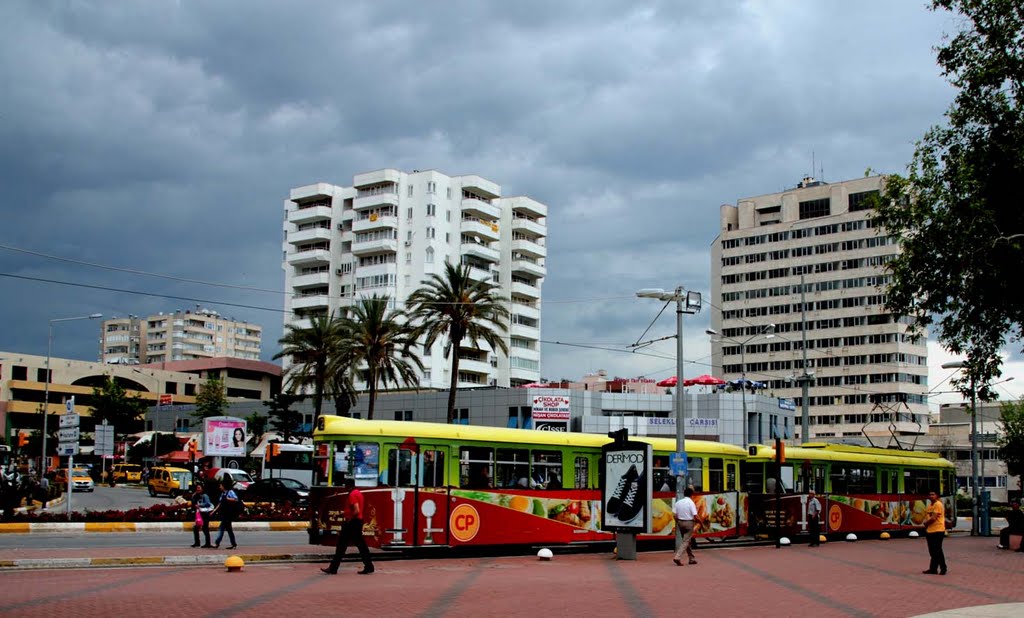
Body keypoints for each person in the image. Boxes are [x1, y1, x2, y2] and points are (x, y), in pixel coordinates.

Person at [322, 477, 374, 575]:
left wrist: (349, 519)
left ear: (348, 485)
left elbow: (356, 510)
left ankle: (333, 568)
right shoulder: (358, 493)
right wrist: (341, 514)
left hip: (352, 523)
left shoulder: (352, 495)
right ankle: (369, 565)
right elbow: (352, 510)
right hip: (357, 522)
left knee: (341, 545)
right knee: (361, 545)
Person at [921, 491, 947, 575]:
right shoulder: (929, 506)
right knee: (932, 551)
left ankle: (943, 568)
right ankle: (933, 569)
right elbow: (928, 517)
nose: (931, 496)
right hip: (930, 530)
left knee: (937, 550)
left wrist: (925, 523)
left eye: (933, 494)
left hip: (938, 530)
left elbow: (933, 518)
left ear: (937, 496)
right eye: (930, 494)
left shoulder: (938, 504)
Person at [672, 487, 699, 566]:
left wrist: (677, 521)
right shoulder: (691, 503)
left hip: (680, 522)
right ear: (691, 495)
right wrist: (700, 522)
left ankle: (691, 558)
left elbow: (674, 514)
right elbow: (695, 515)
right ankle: (677, 557)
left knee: (687, 541)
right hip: (689, 523)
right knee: (686, 541)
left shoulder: (678, 502)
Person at [210, 479, 239, 550]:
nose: (220, 487)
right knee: (229, 530)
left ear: (224, 486)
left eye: (220, 485)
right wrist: (214, 511)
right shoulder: (223, 494)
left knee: (221, 528)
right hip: (224, 513)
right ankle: (233, 544)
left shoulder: (230, 492)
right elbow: (220, 503)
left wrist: (227, 498)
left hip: (228, 514)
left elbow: (236, 499)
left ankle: (217, 543)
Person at [191, 484, 214, 548]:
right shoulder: (197, 496)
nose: (198, 489)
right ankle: (197, 542)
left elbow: (207, 503)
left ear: (202, 489)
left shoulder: (205, 495)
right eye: (197, 488)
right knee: (196, 528)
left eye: (199, 488)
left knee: (205, 528)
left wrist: (200, 505)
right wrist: (193, 496)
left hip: (205, 514)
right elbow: (194, 503)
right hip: (200, 514)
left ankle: (208, 543)